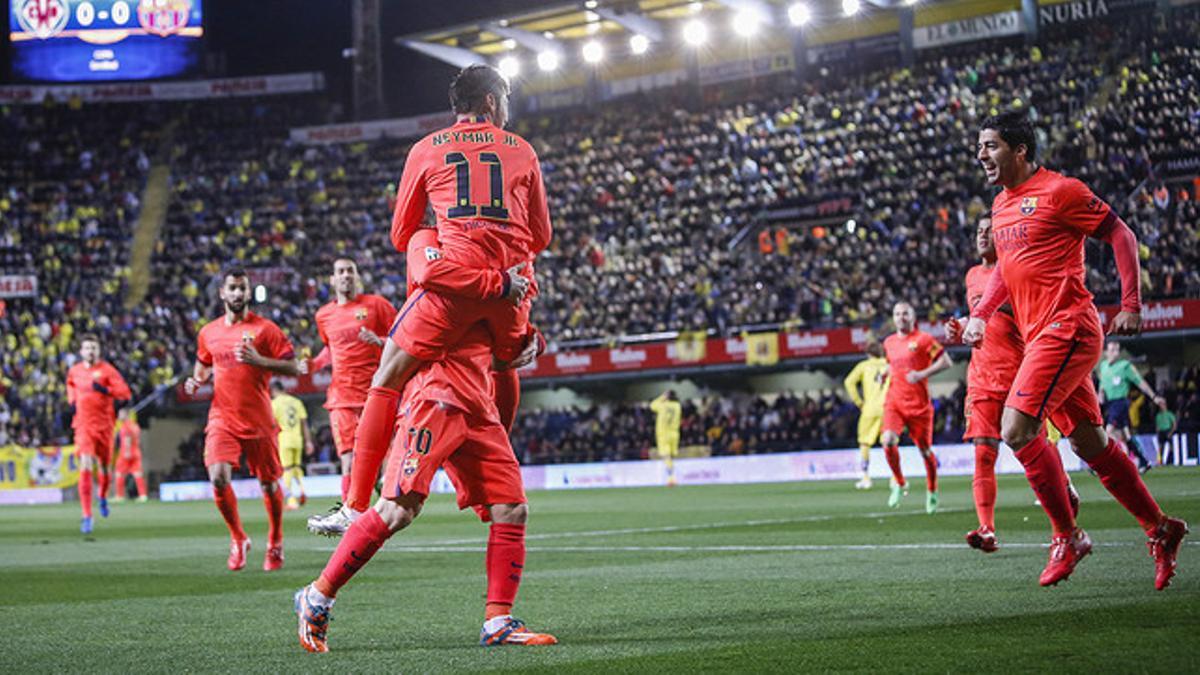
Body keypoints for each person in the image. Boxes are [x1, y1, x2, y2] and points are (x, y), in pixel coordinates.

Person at [311, 63, 546, 535]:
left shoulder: (425, 149)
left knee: (387, 376)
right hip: (511, 287)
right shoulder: (522, 150)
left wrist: (436, 241)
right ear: (491, 104)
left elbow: (402, 232)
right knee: (503, 366)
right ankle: (496, 473)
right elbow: (541, 234)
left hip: (450, 288)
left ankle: (356, 503)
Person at [964, 111, 1188, 589]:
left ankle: (1068, 535)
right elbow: (1005, 267)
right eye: (980, 147)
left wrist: (1131, 304)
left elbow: (1120, 234)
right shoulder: (1001, 203)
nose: (980, 155)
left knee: (1017, 428)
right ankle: (1161, 528)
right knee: (1090, 444)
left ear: (1020, 150)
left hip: (1068, 328)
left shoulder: (1061, 191)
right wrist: (981, 315)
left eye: (990, 146)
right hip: (1037, 336)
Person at [293, 323, 553, 652]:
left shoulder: (509, 282)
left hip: (478, 405)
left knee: (512, 508)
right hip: (434, 399)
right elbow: (393, 361)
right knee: (398, 509)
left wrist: (534, 344)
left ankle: (498, 622)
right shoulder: (441, 284)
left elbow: (519, 333)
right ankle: (317, 598)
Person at [947, 218, 1080, 552]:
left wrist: (986, 312)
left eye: (987, 229)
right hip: (981, 379)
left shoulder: (1017, 268)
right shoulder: (972, 275)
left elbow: (1025, 313)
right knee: (982, 454)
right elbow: (979, 315)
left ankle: (1063, 512)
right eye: (977, 230)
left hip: (1019, 373)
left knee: (1031, 454)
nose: (981, 235)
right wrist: (964, 325)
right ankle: (986, 529)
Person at [184, 267, 305, 571]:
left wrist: (260, 361)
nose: (237, 293)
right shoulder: (208, 332)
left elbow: (295, 368)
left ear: (249, 293)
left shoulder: (266, 330)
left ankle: (275, 541)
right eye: (232, 288)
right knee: (218, 476)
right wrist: (196, 381)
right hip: (222, 416)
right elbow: (202, 365)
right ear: (222, 293)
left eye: (242, 288)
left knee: (268, 484)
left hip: (258, 418)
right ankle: (238, 538)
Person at [309, 258, 396, 504]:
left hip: (376, 393)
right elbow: (329, 348)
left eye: (350, 271)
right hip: (342, 398)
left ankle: (383, 505)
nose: (345, 275)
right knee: (348, 460)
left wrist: (378, 341)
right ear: (332, 279)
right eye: (340, 272)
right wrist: (314, 364)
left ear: (357, 277)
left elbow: (404, 339)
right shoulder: (323, 315)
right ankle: (351, 514)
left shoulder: (377, 306)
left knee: (385, 460)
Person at [881, 302, 952, 513]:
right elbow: (891, 363)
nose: (901, 317)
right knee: (888, 440)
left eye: (905, 313)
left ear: (913, 317)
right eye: (897, 314)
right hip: (894, 401)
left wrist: (921, 374)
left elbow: (946, 361)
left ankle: (932, 490)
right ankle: (900, 481)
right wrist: (883, 373)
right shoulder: (889, 342)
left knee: (925, 451)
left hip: (919, 406)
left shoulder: (924, 339)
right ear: (893, 318)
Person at [66, 333, 131, 533]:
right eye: (87, 348)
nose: (90, 351)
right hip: (83, 425)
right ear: (81, 351)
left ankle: (102, 496)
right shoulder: (74, 371)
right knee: (85, 462)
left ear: (99, 350)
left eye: (93, 348)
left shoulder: (107, 371)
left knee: (104, 468)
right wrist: (72, 399)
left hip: (105, 426)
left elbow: (125, 393)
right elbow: (70, 384)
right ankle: (87, 515)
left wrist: (104, 390)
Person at [1098, 341, 1164, 472]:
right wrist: (1100, 394)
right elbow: (1102, 384)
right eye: (1111, 350)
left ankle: (1106, 463)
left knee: (1109, 431)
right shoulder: (1103, 366)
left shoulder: (1125, 366)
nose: (1115, 353)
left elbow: (1140, 382)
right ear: (1105, 353)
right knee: (1126, 436)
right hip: (1110, 404)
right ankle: (1144, 462)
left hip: (1121, 402)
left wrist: (1154, 396)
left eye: (1117, 350)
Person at [843, 341, 889, 490]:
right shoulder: (889, 364)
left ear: (868, 353)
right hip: (888, 408)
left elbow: (849, 382)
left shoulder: (864, 366)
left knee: (864, 443)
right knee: (889, 443)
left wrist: (859, 402)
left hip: (869, 409)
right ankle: (895, 478)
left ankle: (865, 478)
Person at [271, 380, 313, 511]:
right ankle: (302, 491)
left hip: (284, 439)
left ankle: (292, 500)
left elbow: (272, 425)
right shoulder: (296, 402)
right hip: (298, 439)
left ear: (273, 390)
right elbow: (304, 424)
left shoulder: (274, 404)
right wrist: (308, 441)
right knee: (296, 467)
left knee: (287, 469)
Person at [113, 408, 147, 503]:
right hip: (136, 452)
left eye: (121, 414)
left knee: (119, 473)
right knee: (137, 474)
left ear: (126, 414)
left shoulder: (126, 426)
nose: (119, 416)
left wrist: (127, 452)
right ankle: (143, 495)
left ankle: (119, 496)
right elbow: (138, 439)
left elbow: (127, 438)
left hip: (126, 452)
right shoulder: (135, 425)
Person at [650, 390, 683, 486]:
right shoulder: (677, 406)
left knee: (666, 456)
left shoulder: (662, 405)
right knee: (671, 456)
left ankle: (671, 478)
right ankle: (672, 476)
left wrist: (662, 397)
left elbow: (652, 405)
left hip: (664, 434)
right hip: (674, 433)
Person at [1155, 399, 1178, 465]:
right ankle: (1161, 462)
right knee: (1161, 448)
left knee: (1171, 447)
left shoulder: (1169, 414)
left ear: (1165, 405)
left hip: (1167, 431)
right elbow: (1157, 427)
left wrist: (1170, 433)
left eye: (1162, 404)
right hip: (1161, 433)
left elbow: (1174, 425)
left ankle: (1170, 461)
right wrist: (1158, 433)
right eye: (1159, 405)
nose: (1161, 406)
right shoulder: (1158, 416)